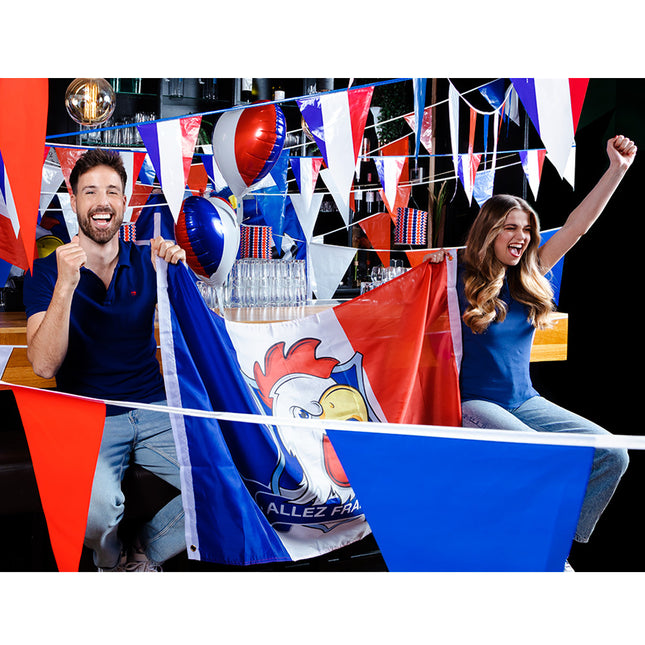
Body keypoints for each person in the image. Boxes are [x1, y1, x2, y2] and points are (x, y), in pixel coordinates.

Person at [429, 135, 637, 567]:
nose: (521, 236)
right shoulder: (455, 277)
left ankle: (555, 540)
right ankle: (532, 546)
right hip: (474, 404)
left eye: (526, 228)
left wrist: (617, 169)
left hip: (526, 401)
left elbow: (579, 226)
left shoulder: (531, 274)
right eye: (510, 226)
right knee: (538, 454)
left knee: (611, 453)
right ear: (489, 231)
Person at [23, 148, 187, 572]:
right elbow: (43, 366)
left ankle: (144, 548)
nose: (102, 201)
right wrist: (65, 286)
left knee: (230, 474)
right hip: (87, 414)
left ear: (124, 203)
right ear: (74, 201)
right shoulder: (46, 273)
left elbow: (193, 328)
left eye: (112, 191)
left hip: (155, 409)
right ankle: (112, 560)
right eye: (90, 191)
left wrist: (180, 269)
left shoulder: (149, 260)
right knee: (92, 516)